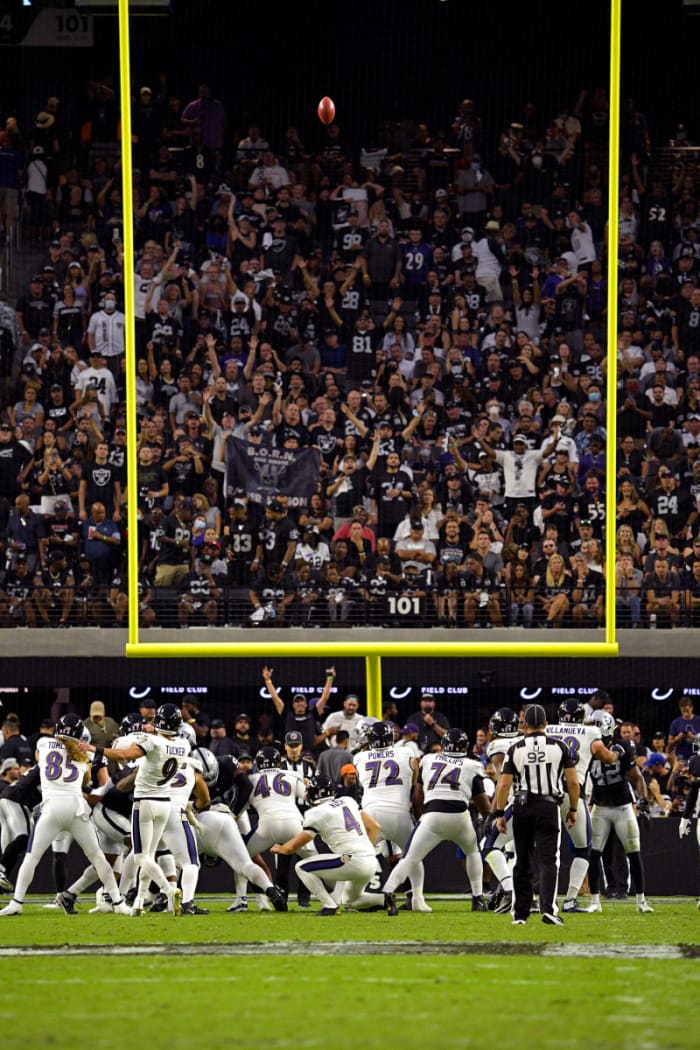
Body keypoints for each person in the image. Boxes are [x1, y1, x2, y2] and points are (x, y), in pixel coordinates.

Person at [0, 714, 130, 917]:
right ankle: (118, 902)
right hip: (76, 808)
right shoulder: (82, 754)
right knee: (97, 857)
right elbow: (86, 778)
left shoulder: (44, 744)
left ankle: (17, 902)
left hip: (52, 808)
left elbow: (39, 761)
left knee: (32, 857)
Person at [78, 702, 189, 916]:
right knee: (150, 854)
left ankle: (169, 890)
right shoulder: (183, 744)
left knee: (140, 857)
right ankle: (139, 900)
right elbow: (162, 740)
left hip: (144, 803)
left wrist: (94, 748)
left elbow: (124, 756)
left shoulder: (151, 741)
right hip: (165, 803)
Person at [382, 728, 490, 915]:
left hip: (432, 815)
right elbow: (482, 801)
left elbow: (417, 794)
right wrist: (489, 819)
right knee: (473, 852)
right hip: (460, 817)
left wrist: (418, 815)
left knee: (409, 858)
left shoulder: (428, 760)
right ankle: (477, 898)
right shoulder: (471, 765)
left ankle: (389, 891)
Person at [494, 703, 579, 926]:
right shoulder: (559, 747)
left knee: (521, 860)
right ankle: (548, 909)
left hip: (522, 807)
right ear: (546, 725)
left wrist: (500, 813)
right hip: (548, 807)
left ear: (524, 725)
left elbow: (503, 786)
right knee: (549, 860)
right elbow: (572, 781)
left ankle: (520, 914)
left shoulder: (515, 749)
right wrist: (573, 809)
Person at [545, 698, 623, 912]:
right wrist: (619, 753)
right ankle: (570, 900)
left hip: (545, 795)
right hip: (573, 795)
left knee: (540, 850)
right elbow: (608, 758)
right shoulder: (591, 734)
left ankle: (536, 899)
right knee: (583, 849)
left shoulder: (547, 730)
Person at [271, 773, 381, 916]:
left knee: (301, 867)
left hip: (352, 860)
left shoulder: (315, 813)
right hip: (371, 860)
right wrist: (365, 852)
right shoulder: (348, 801)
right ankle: (385, 899)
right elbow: (375, 827)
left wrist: (282, 848)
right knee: (351, 900)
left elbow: (294, 847)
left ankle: (329, 905)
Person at [353, 720, 429, 912]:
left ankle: (350, 896)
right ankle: (417, 899)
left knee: (358, 855)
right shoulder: (406, 752)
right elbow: (415, 780)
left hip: (370, 814)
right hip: (399, 813)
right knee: (413, 856)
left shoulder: (360, 757)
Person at [585, 710, 654, 914]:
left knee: (633, 853)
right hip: (599, 807)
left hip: (623, 806)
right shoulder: (588, 747)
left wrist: (643, 803)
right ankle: (595, 901)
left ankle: (641, 901)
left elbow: (637, 776)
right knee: (594, 854)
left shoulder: (622, 746)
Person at [263, 665, 333, 753]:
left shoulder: (312, 714)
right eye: (297, 701)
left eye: (302, 701)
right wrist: (267, 680)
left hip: (310, 754)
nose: (299, 703)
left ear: (306, 704)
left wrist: (330, 678)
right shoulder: (287, 714)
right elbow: (274, 697)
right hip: (291, 754)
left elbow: (325, 697)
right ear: (293, 705)